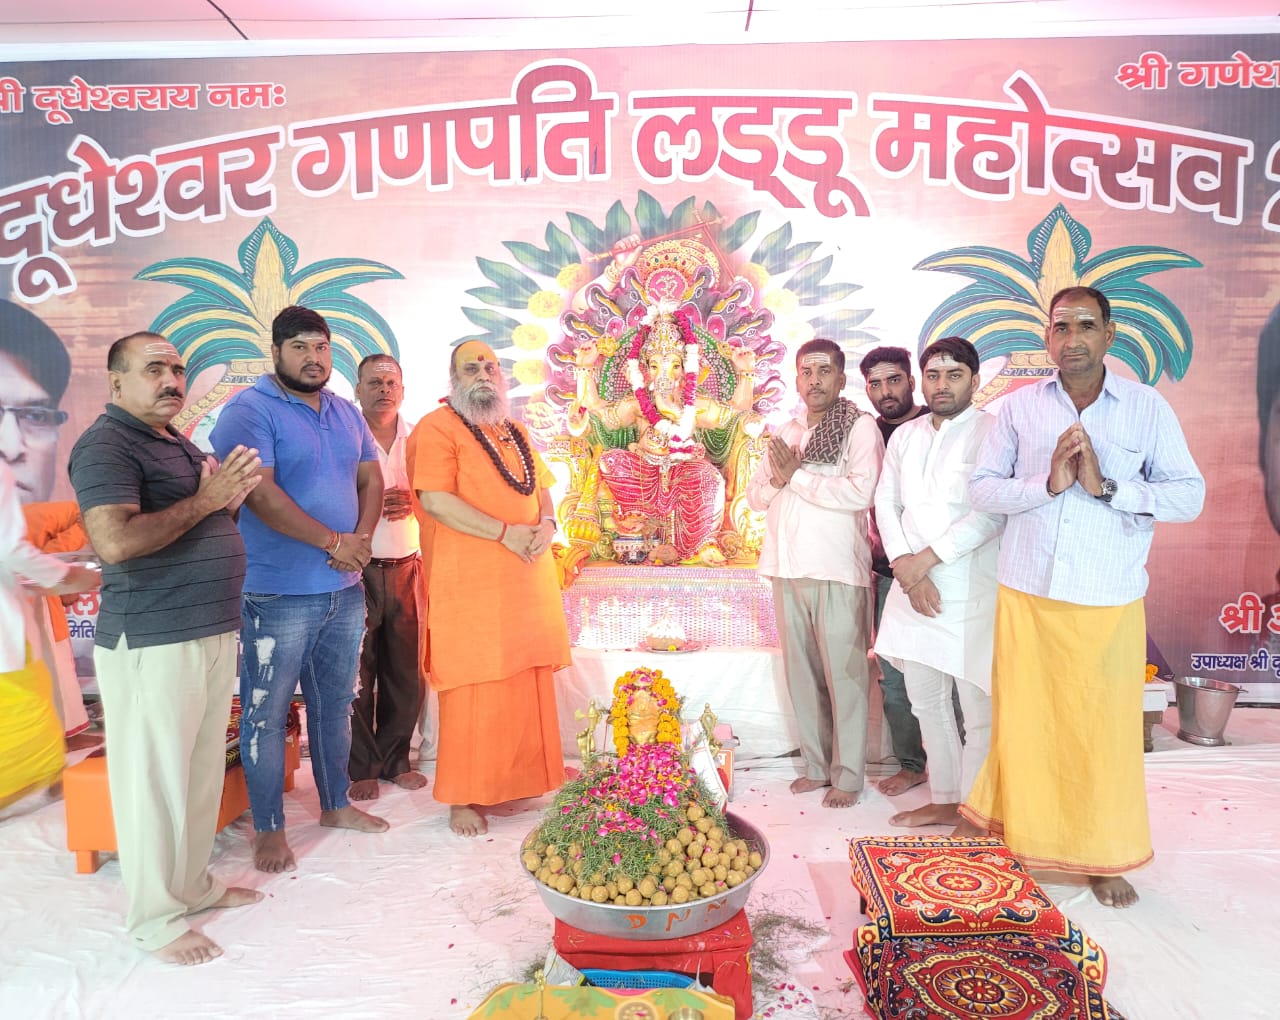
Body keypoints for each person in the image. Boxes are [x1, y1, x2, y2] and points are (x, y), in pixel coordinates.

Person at [958, 286, 1205, 908]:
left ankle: (1102, 854)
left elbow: (1188, 496)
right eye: (1061, 326)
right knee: (1028, 725)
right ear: (1047, 337)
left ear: (1109, 335)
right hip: (1029, 594)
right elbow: (982, 489)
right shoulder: (1018, 408)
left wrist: (1109, 487)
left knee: (1103, 733)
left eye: (1086, 326)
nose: (1072, 339)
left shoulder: (1146, 408)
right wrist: (1046, 484)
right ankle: (1025, 837)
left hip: (1106, 599)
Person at [67, 331, 263, 964]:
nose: (173, 380)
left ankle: (192, 886)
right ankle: (154, 919)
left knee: (199, 774)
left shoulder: (176, 441)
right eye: (154, 369)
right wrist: (208, 500)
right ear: (116, 381)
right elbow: (115, 542)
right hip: (153, 640)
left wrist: (226, 505)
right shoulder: (105, 446)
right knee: (153, 785)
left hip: (208, 628)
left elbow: (202, 523)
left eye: (178, 369)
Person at [210, 305, 388, 873]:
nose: (314, 358)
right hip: (277, 593)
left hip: (344, 588)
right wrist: (334, 541)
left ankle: (335, 804)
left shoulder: (344, 411)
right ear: (276, 352)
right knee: (266, 713)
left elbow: (371, 476)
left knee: (335, 705)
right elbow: (259, 493)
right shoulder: (248, 410)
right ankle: (268, 828)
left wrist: (360, 541)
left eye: (322, 347)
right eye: (301, 347)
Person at [409, 340, 570, 836]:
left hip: (523, 583)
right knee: (472, 686)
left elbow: (542, 490)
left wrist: (546, 524)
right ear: (453, 378)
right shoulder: (437, 428)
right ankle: (463, 797)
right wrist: (505, 534)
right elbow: (435, 500)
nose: (483, 374)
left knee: (523, 680)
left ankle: (520, 781)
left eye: (490, 367)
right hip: (471, 589)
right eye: (471, 368)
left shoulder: (515, 430)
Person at [747, 337, 883, 808]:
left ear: (841, 379)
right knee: (802, 676)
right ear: (797, 379)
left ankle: (848, 776)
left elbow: (860, 493)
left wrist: (796, 477)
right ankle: (816, 767)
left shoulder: (859, 427)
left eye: (824, 371)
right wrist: (778, 479)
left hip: (836, 570)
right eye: (806, 372)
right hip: (786, 569)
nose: (814, 380)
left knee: (845, 677)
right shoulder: (785, 431)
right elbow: (755, 496)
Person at [873, 337, 1001, 828]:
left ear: (975, 379)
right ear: (921, 381)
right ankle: (945, 797)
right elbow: (887, 503)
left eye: (954, 375)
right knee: (926, 701)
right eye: (933, 375)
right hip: (912, 585)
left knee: (977, 709)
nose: (941, 384)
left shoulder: (993, 431)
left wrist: (924, 562)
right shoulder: (906, 436)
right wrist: (905, 565)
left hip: (969, 588)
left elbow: (991, 513)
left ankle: (977, 807)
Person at [571, 304, 758, 564]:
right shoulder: (638, 403)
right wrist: (584, 368)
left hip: (685, 471)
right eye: (655, 366)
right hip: (643, 471)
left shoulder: (695, 404)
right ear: (645, 370)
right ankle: (639, 533)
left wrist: (745, 373)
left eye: (674, 365)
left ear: (687, 369)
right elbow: (601, 414)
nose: (664, 375)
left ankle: (701, 545)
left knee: (710, 479)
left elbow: (735, 415)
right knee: (610, 461)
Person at [0, 299, 95, 746]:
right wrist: (65, 575)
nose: (11, 444)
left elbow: (83, 522)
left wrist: (56, 567)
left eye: (34, 415)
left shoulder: (47, 511)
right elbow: (13, 552)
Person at [348, 354, 427, 800]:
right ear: (357, 389)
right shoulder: (343, 435)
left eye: (391, 382)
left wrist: (416, 500)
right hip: (355, 570)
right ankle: (362, 765)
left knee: (405, 673)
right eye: (374, 382)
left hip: (408, 565)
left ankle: (397, 760)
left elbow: (443, 492)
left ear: (403, 390)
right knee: (357, 673)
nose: (383, 389)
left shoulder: (421, 438)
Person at [859, 346, 931, 797]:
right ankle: (911, 763)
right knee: (893, 674)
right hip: (887, 574)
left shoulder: (936, 425)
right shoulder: (865, 434)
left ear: (911, 381)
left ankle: (965, 765)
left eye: (894, 380)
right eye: (875, 384)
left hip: (940, 567)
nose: (886, 391)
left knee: (950, 671)